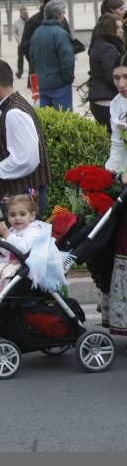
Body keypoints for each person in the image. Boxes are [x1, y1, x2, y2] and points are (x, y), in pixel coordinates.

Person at [0, 59, 51, 217]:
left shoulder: (14, 113)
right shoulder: (12, 107)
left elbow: (26, 160)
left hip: (24, 201)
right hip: (22, 199)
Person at [102, 54, 127, 335]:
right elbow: (118, 145)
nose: (120, 84)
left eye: (126, 77)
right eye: (116, 78)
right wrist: (107, 175)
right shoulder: (118, 104)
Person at [29, 0, 75, 111]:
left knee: (47, 122)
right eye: (63, 13)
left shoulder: (37, 32)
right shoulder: (60, 33)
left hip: (42, 84)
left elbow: (32, 58)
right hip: (60, 85)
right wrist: (68, 79)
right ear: (59, 15)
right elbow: (67, 61)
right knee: (64, 121)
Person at [19, 0, 70, 87]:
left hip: (60, 77)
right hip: (39, 76)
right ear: (51, 3)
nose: (64, 5)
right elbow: (25, 47)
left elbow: (68, 42)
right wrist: (40, 60)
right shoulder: (33, 22)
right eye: (61, 3)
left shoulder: (63, 20)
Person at [88, 13, 126, 133]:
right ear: (110, 29)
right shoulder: (108, 48)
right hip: (106, 100)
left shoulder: (100, 44)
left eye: (121, 27)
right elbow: (111, 77)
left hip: (101, 99)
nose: (121, 31)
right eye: (118, 28)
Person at [14, 7, 29, 78]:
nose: (25, 14)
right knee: (20, 59)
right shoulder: (17, 23)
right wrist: (18, 41)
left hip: (29, 43)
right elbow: (14, 33)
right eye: (24, 13)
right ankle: (20, 72)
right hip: (20, 44)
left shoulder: (30, 21)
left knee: (30, 59)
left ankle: (32, 72)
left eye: (26, 13)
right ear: (20, 14)